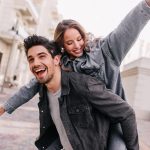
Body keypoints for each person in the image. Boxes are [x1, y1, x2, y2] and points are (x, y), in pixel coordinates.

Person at [0, 0, 150, 149]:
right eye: (70, 43)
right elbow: (34, 84)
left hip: (113, 119)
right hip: (87, 125)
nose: (77, 46)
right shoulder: (64, 64)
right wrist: (6, 106)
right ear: (62, 46)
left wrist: (145, 6)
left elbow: (125, 30)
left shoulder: (105, 52)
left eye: (79, 39)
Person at [24, 35, 139, 150]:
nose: (35, 63)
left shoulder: (83, 84)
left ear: (56, 59)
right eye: (31, 59)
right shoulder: (44, 91)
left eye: (42, 56)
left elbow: (126, 113)